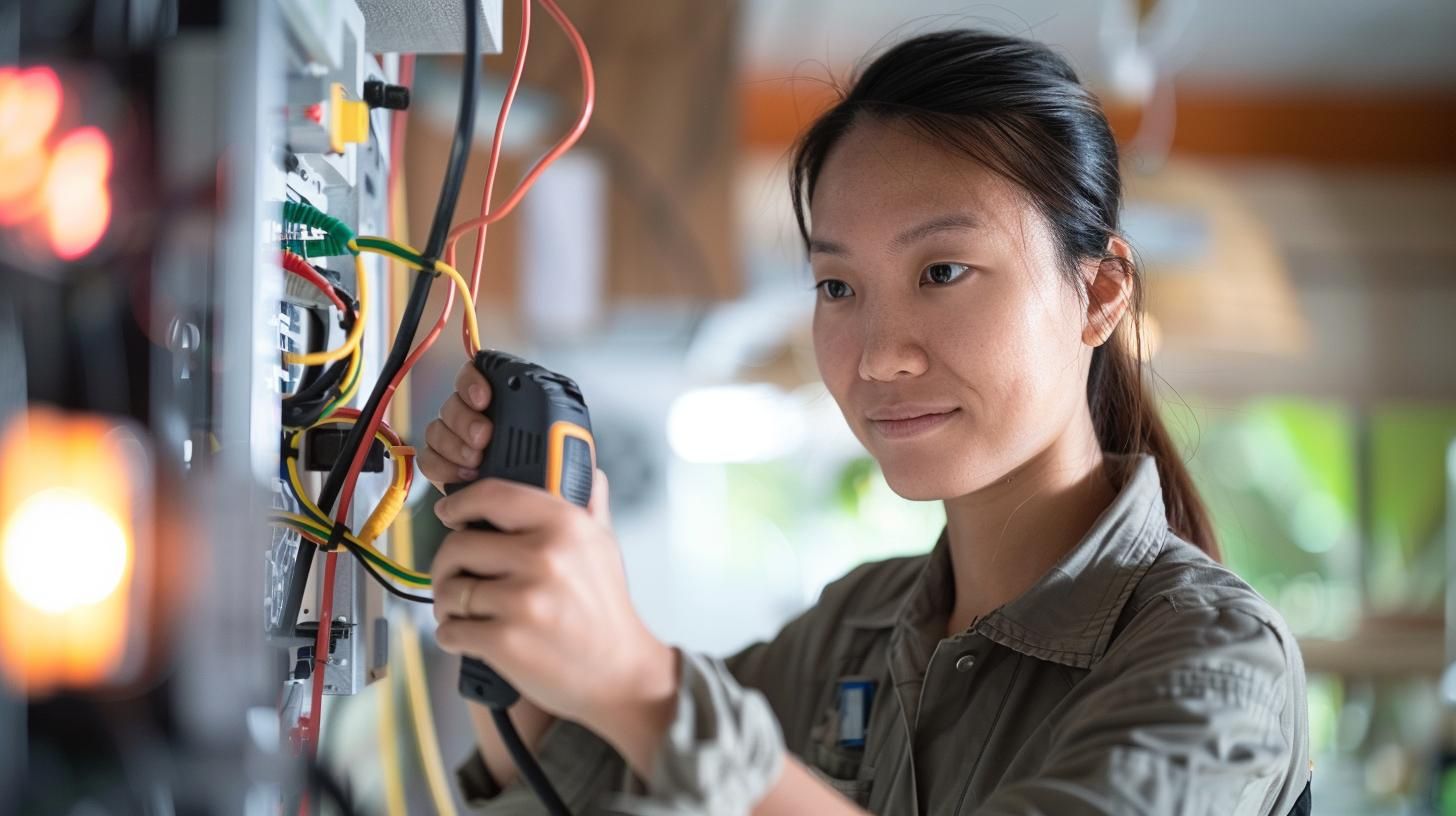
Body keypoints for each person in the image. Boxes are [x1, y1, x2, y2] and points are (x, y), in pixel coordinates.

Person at [418, 29, 1311, 816]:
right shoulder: (857, 626)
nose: (880, 355)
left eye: (944, 271)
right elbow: (588, 782)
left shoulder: (1215, 665)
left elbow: (645, 721)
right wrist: (529, 574)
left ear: (1101, 293)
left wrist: (646, 689)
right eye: (838, 287)